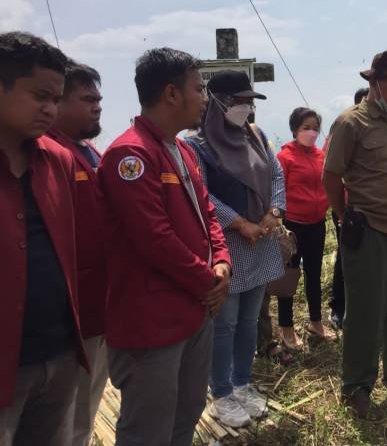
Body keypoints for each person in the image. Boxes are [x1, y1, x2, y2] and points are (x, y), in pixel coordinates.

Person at [98, 48, 231, 446]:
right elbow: (153, 238)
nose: (205, 98)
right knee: (148, 430)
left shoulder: (182, 149)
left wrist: (222, 262)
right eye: (199, 88)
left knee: (186, 414)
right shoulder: (131, 154)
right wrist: (207, 278)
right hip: (153, 319)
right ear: (171, 94)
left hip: (194, 308)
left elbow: (207, 213)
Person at [323, 49, 387, 419]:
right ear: (374, 82)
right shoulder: (351, 123)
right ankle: (356, 387)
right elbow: (331, 175)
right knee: (366, 313)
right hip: (370, 231)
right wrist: (342, 216)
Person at [0, 31, 87, 446]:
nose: (51, 109)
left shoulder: (58, 161)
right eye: (40, 96)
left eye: (56, 98)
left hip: (58, 352)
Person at [185, 69, 285, 427]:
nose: (247, 109)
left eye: (249, 102)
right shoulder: (196, 145)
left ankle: (243, 382)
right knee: (224, 323)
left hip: (261, 240)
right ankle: (222, 392)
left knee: (247, 322)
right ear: (220, 102)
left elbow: (276, 174)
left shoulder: (255, 137)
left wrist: (274, 212)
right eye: (241, 102)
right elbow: (201, 193)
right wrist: (240, 223)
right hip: (227, 245)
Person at [45, 62, 109, 446]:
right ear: (57, 103)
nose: (98, 106)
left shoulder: (89, 152)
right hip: (69, 313)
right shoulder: (48, 155)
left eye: (99, 98)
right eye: (87, 99)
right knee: (64, 412)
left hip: (99, 304)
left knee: (87, 404)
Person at [277, 107, 333, 345]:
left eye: (315, 128)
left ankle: (315, 321)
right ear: (294, 130)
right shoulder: (285, 157)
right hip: (293, 226)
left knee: (314, 274)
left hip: (317, 224)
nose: (311, 132)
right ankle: (285, 326)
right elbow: (279, 192)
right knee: (289, 275)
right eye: (305, 128)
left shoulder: (321, 156)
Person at [327, 87, 369, 330]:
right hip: (349, 207)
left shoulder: (386, 126)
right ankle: (338, 307)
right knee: (347, 256)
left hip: (376, 210)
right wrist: (341, 211)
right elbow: (331, 171)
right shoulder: (345, 127)